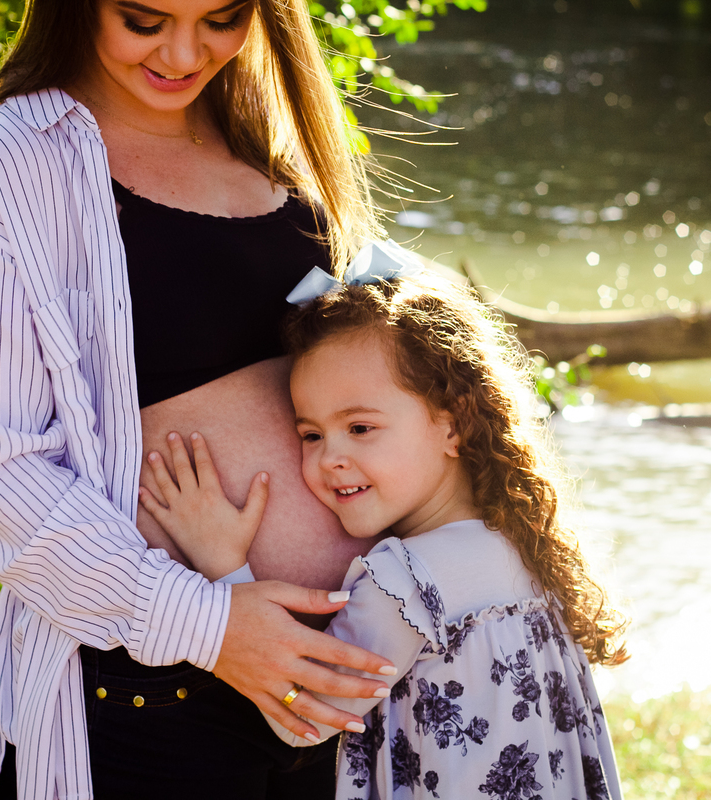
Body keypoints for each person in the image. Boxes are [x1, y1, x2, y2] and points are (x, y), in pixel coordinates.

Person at [0, 0, 403, 797]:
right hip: (153, 701)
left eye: (222, 17)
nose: (184, 52)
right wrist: (212, 626)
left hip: (336, 694)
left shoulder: (270, 127)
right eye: (144, 20)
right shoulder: (9, 173)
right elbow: (1, 477)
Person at [140, 258, 630, 799]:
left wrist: (223, 567)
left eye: (360, 427)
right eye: (311, 435)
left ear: (454, 423)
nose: (331, 458)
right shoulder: (524, 542)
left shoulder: (405, 583)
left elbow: (306, 717)